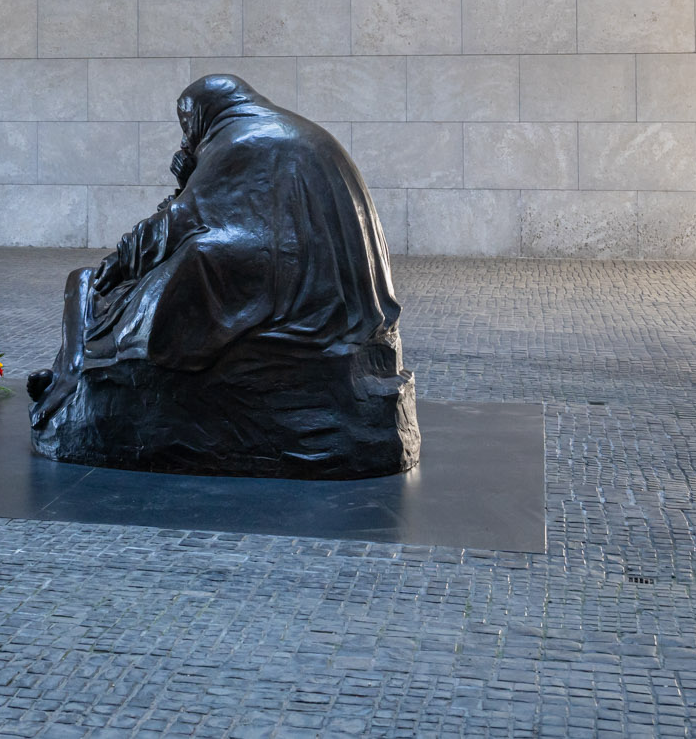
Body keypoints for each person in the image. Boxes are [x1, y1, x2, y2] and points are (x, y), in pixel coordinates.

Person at [27, 74, 419, 479]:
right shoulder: (282, 129)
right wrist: (189, 180)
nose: (186, 137)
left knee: (93, 283)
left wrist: (123, 259)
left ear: (202, 115)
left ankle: (72, 379)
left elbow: (181, 222)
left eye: (186, 126)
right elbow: (217, 210)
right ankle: (69, 374)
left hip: (291, 286)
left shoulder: (239, 141)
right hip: (331, 291)